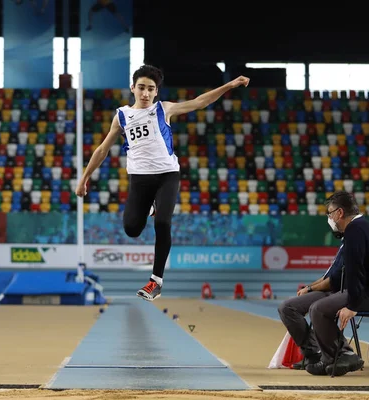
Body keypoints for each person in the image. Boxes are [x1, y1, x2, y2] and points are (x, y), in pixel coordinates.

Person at [75, 65, 250, 301]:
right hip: (140, 178)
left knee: (163, 222)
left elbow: (199, 102)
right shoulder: (122, 116)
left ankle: (155, 281)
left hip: (167, 174)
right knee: (132, 229)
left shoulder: (163, 109)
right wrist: (84, 178)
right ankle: (150, 206)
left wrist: (229, 85)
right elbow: (102, 149)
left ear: (156, 91)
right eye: (141, 88)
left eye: (150, 89)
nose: (145, 94)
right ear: (132, 88)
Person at [305, 191, 369, 376]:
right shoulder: (360, 227)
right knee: (319, 307)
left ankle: (337, 357)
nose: (329, 218)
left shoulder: (355, 230)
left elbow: (356, 272)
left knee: (318, 309)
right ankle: (335, 356)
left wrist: (353, 305)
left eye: (330, 213)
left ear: (339, 213)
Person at [277, 236, 353, 370]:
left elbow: (333, 281)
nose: (330, 220)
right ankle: (313, 353)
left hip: (340, 291)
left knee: (317, 308)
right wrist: (308, 287)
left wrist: (311, 288)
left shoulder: (354, 244)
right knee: (287, 307)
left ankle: (342, 351)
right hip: (330, 290)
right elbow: (327, 277)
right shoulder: (343, 244)